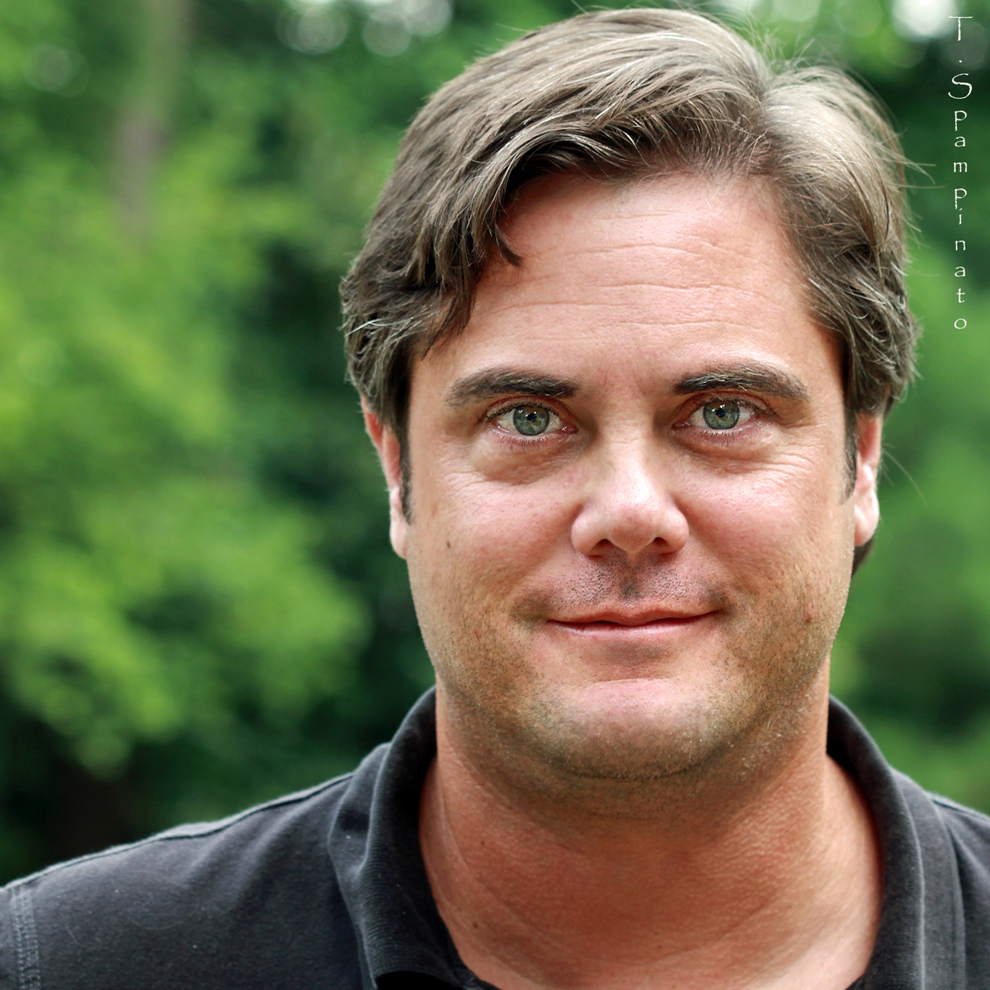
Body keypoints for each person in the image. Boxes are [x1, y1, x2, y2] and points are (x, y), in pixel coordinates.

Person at [0, 8, 987, 990]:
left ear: (861, 459)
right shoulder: (66, 968)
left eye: (722, 413)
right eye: (527, 419)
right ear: (398, 473)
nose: (629, 512)